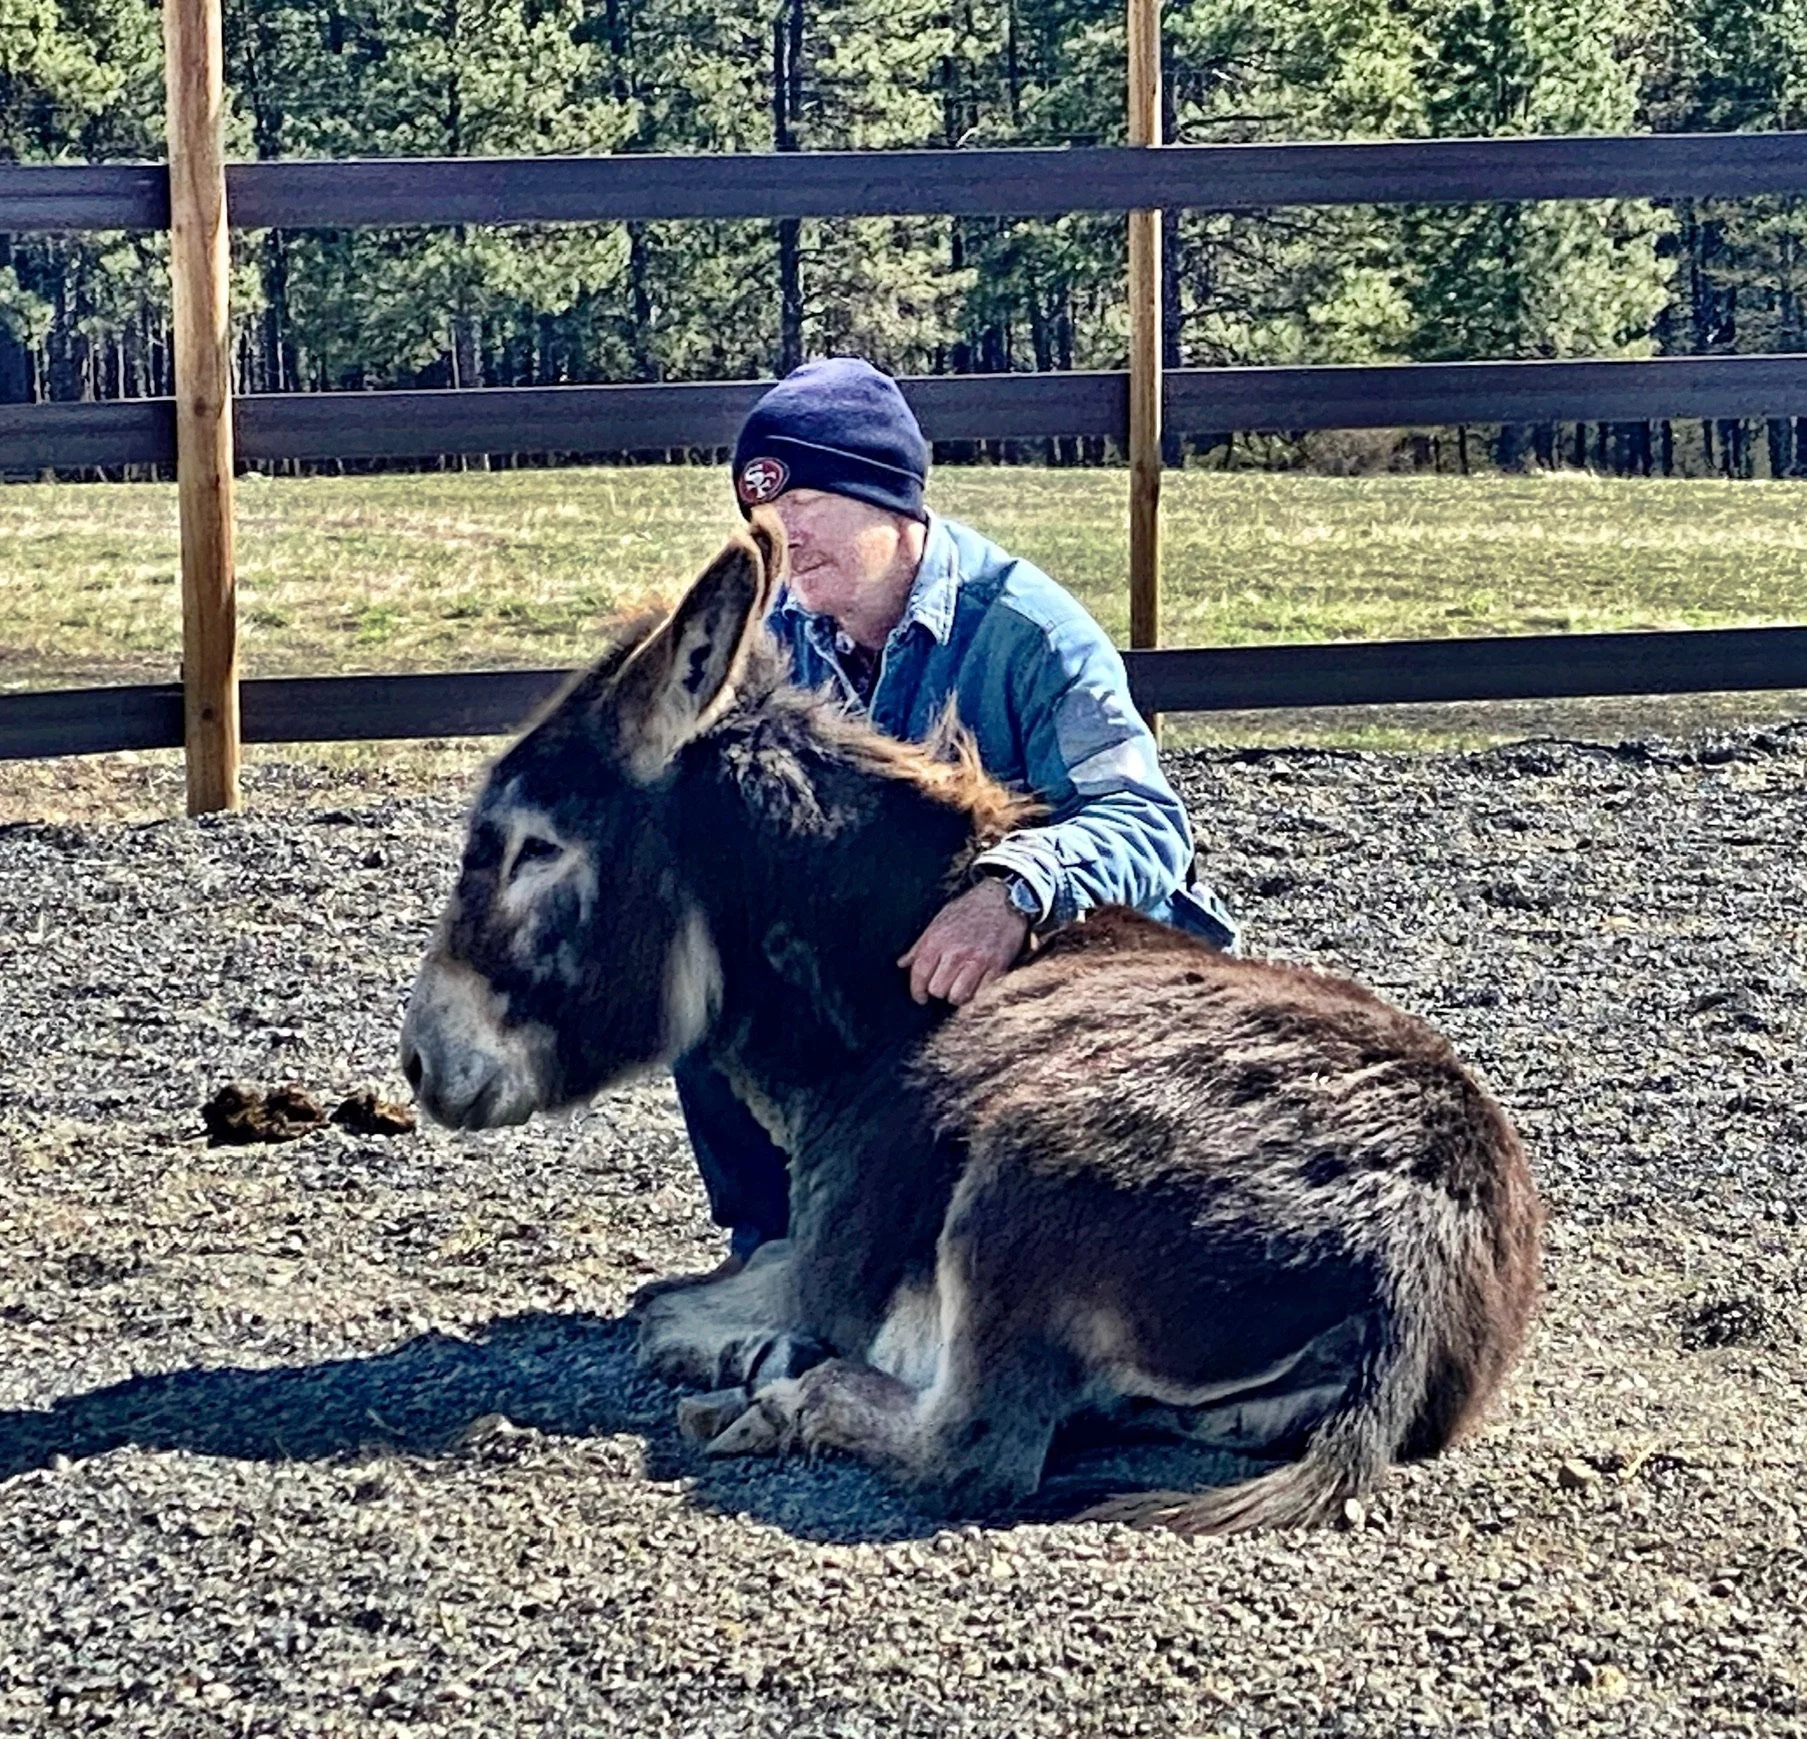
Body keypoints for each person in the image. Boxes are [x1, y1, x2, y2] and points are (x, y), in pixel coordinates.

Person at [671, 356, 1238, 1275]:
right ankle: (772, 1246)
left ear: (888, 500)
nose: (782, 536)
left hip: (1067, 967)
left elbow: (1143, 822)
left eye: (805, 501)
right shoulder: (775, 638)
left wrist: (1012, 891)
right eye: (761, 516)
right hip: (903, 966)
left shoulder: (1029, 632)